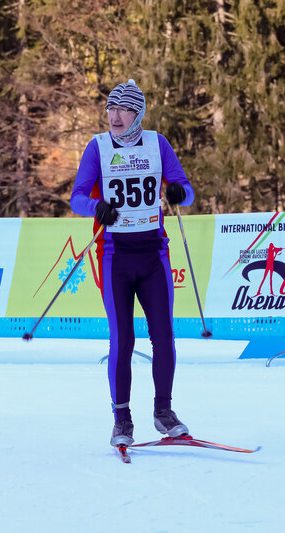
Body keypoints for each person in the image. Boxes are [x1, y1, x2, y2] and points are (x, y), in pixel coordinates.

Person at [70, 79, 195, 447]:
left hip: (154, 254)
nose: (115, 116)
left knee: (164, 336)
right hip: (115, 257)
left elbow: (186, 191)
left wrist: (177, 191)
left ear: (138, 114)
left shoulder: (158, 144)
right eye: (111, 108)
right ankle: (122, 419)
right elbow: (77, 198)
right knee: (122, 338)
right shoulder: (97, 147)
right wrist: (97, 207)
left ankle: (163, 412)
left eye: (123, 109)